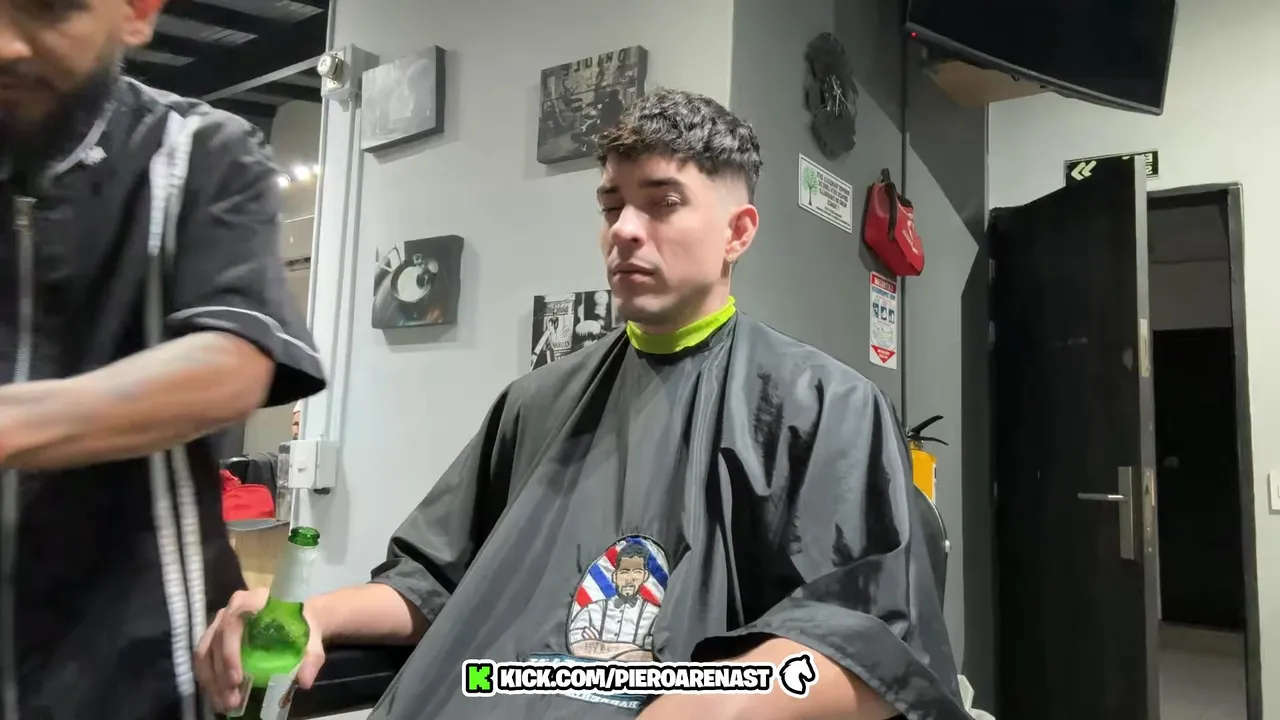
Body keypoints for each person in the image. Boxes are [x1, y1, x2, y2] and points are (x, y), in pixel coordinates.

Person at [197, 88, 968, 720]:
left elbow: (875, 647)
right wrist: (310, 615)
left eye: (662, 203)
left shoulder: (822, 407)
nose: (624, 231)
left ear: (738, 232)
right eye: (611, 207)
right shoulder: (535, 402)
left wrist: (712, 705)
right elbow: (432, 584)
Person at [0, 3, 326, 720]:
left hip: (140, 673)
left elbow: (231, 363)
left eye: (49, 6)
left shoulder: (197, 151)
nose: (5, 43)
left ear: (137, 12)